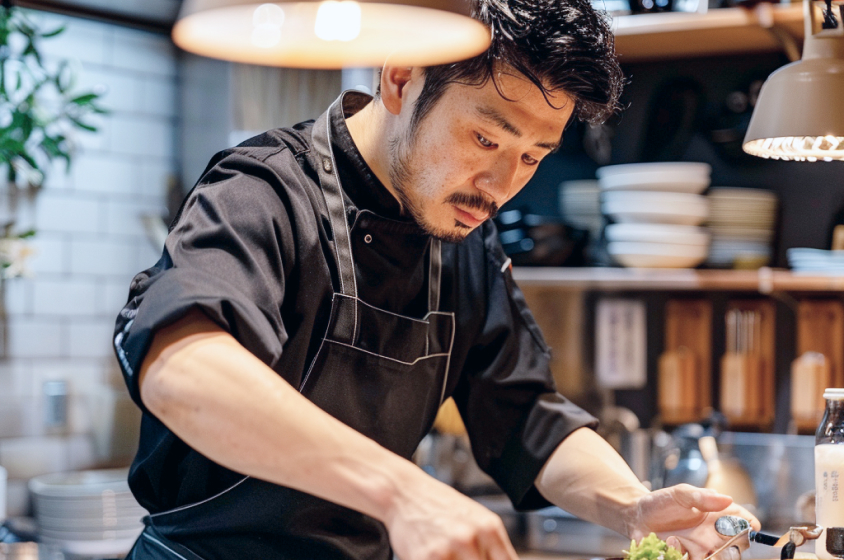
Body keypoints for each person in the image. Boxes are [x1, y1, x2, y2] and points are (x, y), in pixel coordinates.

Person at [113, 0, 759, 557]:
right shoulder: (263, 192)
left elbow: (528, 418)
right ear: (401, 78)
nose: (501, 186)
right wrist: (402, 492)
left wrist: (632, 508)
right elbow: (180, 370)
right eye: (485, 140)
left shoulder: (464, 246)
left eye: (532, 157)